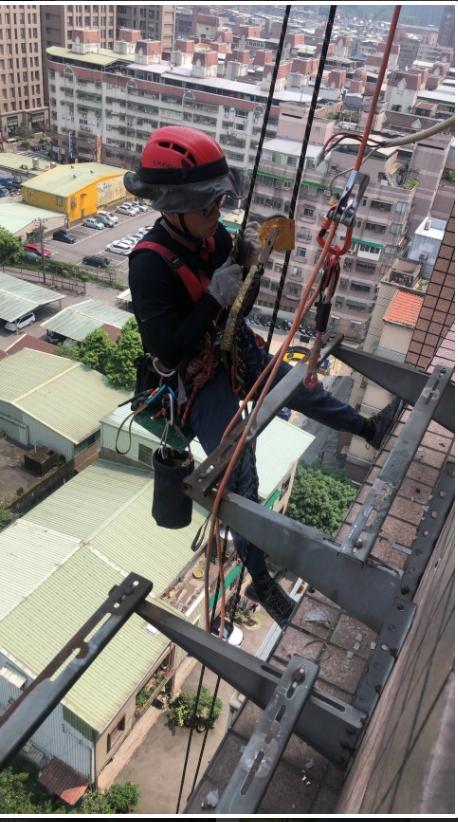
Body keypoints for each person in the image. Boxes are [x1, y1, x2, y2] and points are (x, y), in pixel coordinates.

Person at [124, 126, 401, 628]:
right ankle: (260, 575)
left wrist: (248, 274)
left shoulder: (214, 237)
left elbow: (240, 309)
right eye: (207, 207)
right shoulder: (149, 265)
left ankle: (366, 429)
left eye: (217, 206)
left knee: (294, 382)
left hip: (230, 348)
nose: (217, 216)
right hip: (194, 379)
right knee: (238, 466)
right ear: (172, 205)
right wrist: (214, 298)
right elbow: (165, 347)